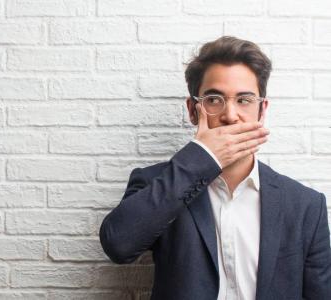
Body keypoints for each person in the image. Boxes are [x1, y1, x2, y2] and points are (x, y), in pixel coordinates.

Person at [99, 36, 331, 300]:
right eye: (213, 99)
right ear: (192, 110)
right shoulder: (159, 182)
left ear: (261, 109)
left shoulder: (305, 205)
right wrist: (201, 157)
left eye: (244, 100)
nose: (230, 115)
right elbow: (118, 245)